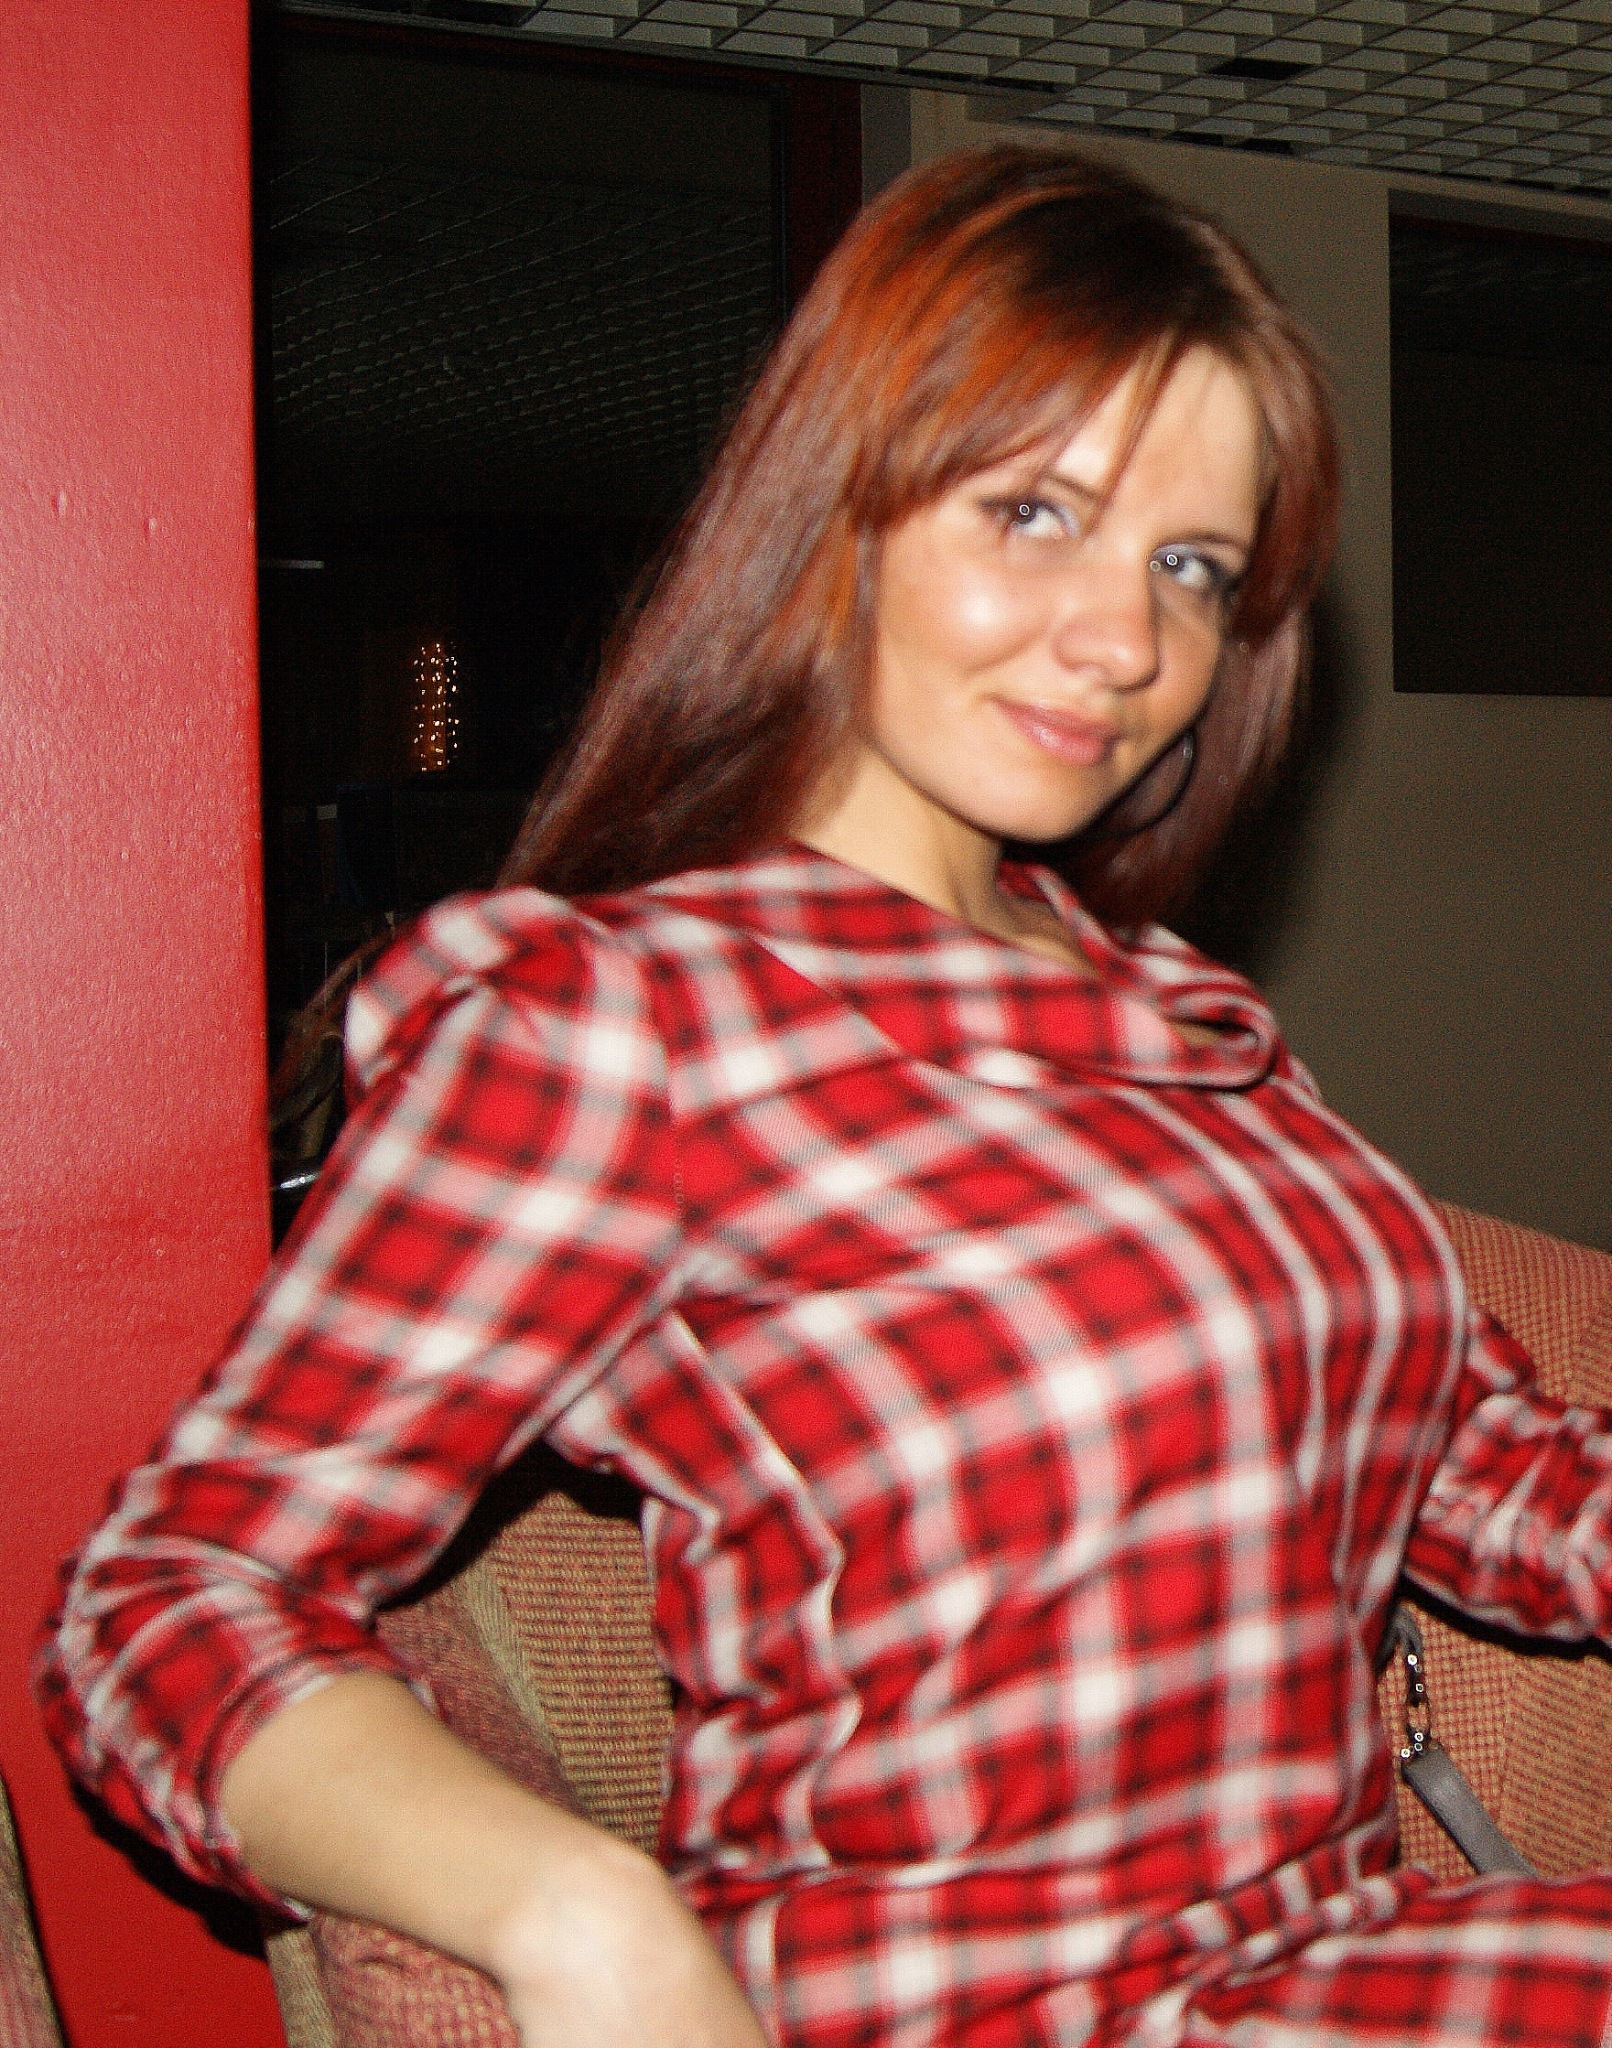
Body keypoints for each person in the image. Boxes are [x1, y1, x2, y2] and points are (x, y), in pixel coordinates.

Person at [37, 144, 1612, 2048]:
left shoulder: (1191, 1024)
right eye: (1034, 512)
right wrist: (574, 1909)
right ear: (837, 512)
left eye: (1189, 567)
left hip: (1340, 1963)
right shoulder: (623, 1024)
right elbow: (172, 1596)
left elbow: (1472, 1465)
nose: (1129, 644)